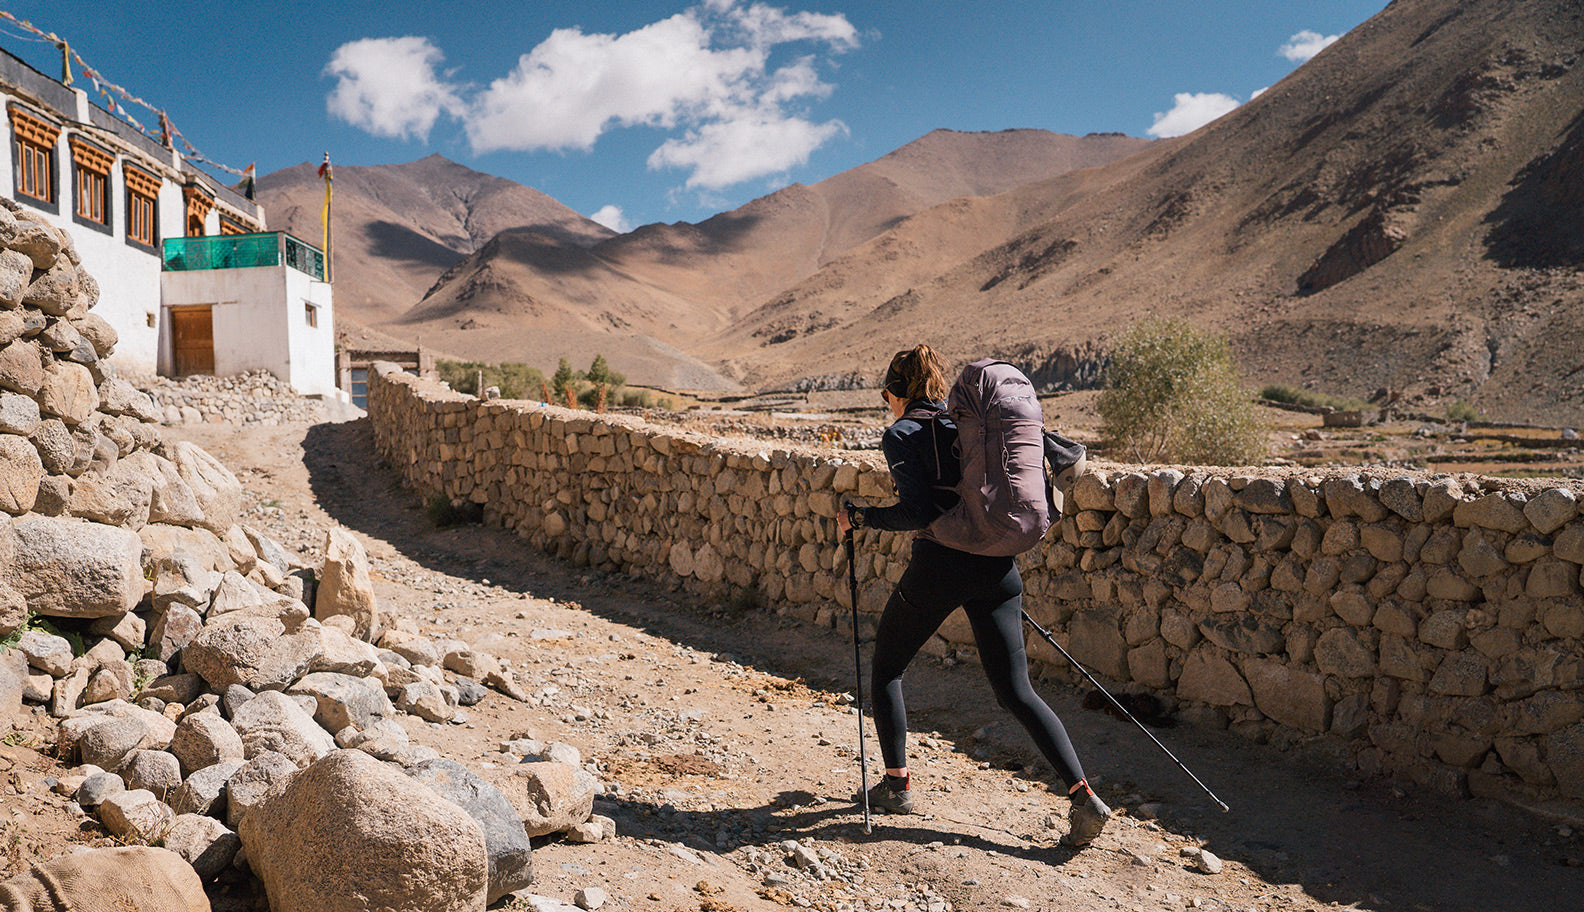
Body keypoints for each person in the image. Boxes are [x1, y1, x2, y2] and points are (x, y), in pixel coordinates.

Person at [836, 344, 1111, 849]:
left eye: (885, 397)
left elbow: (917, 514)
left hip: (940, 566)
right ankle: (1083, 795)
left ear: (892, 394)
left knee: (888, 668)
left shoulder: (901, 433)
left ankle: (896, 786)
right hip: (997, 566)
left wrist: (859, 517)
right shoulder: (967, 424)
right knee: (1016, 692)